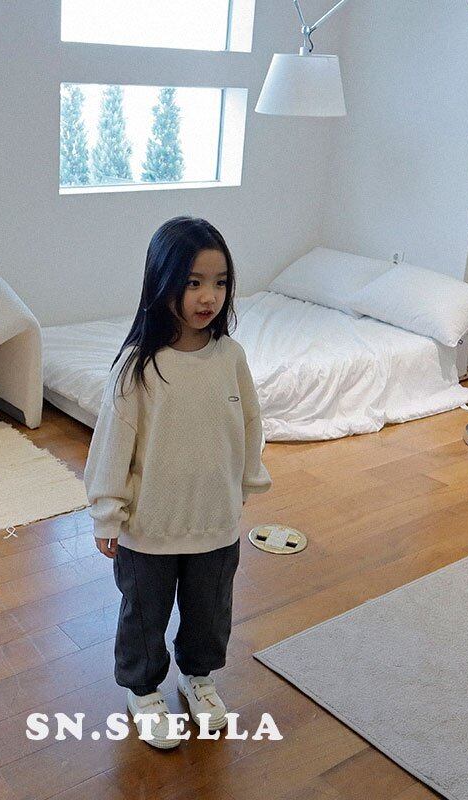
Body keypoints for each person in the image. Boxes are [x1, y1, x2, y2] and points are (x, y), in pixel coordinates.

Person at [83, 216, 273, 749]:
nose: (209, 296)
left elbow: (250, 423)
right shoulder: (138, 368)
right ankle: (143, 690)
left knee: (210, 613)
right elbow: (110, 447)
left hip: (215, 522)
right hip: (149, 528)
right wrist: (107, 513)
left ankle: (198, 678)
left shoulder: (231, 358)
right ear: (161, 282)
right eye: (193, 282)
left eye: (220, 282)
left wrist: (245, 482)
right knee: (144, 616)